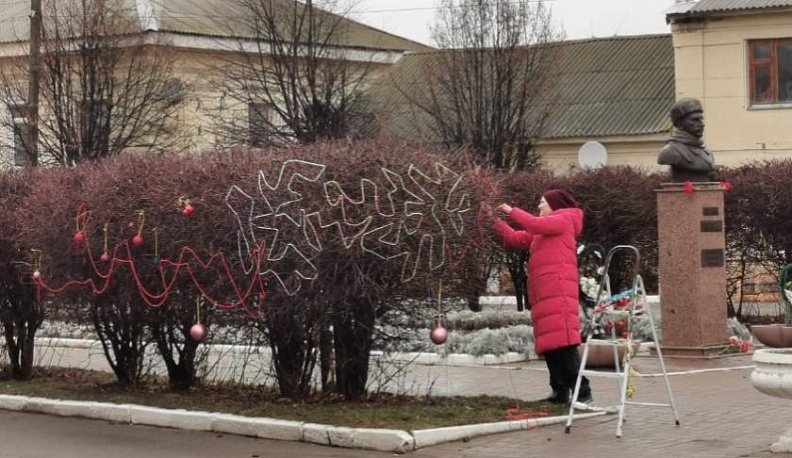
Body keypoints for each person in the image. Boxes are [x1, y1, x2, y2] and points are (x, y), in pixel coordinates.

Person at [491, 189, 591, 405]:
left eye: (542, 202)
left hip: (558, 291)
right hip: (546, 294)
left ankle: (581, 389)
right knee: (550, 345)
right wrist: (495, 222)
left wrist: (511, 210)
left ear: (555, 204)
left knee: (563, 344)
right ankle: (559, 391)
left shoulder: (563, 219)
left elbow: (534, 224)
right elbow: (516, 238)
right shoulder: (547, 227)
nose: (539, 206)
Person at [657, 97, 716, 182]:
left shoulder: (707, 152)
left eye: (701, 119)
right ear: (680, 123)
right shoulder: (670, 151)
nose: (702, 124)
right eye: (695, 120)